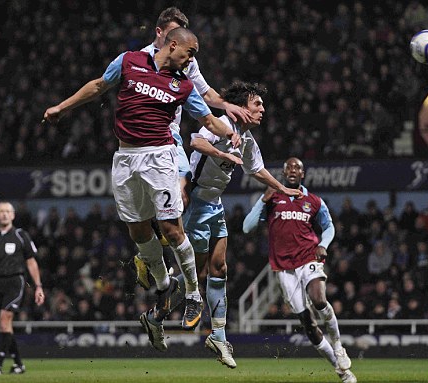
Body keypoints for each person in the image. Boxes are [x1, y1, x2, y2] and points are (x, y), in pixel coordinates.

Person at [43, 27, 242, 351]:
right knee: (138, 233)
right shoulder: (129, 61)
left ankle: (192, 294)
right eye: (190, 52)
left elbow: (207, 120)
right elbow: (97, 86)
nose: (192, 60)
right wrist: (62, 108)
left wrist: (231, 132)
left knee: (171, 228)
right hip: (125, 158)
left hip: (159, 157)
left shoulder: (183, 84)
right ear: (173, 44)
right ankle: (165, 285)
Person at [179, 81, 301, 368]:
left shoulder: (247, 140)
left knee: (220, 267)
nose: (262, 109)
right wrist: (223, 154)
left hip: (215, 205)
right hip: (195, 201)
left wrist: (282, 189)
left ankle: (218, 336)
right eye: (257, 104)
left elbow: (256, 169)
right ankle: (159, 308)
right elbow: (196, 141)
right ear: (242, 107)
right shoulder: (221, 123)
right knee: (195, 273)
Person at [132, 6, 251, 293]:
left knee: (181, 195)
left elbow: (206, 94)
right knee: (147, 210)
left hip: (170, 138)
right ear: (159, 33)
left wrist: (229, 105)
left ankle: (158, 264)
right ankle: (148, 257)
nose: (177, 44)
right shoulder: (139, 61)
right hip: (143, 143)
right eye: (171, 35)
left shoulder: (186, 61)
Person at [242, 157, 357, 383]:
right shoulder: (272, 198)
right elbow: (247, 227)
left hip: (308, 258)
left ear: (303, 174)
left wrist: (323, 245)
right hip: (284, 268)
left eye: (297, 168)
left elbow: (329, 227)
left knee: (319, 299)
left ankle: (338, 345)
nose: (293, 170)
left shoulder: (313, 201)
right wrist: (263, 199)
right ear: (284, 173)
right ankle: (342, 371)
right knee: (308, 324)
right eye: (289, 168)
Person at [0, 202, 44, 375]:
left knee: (4, 318)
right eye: (1, 211)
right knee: (5, 325)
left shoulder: (21, 235)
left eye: (7, 211)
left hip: (15, 281)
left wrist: (38, 286)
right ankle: (19, 365)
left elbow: (31, 262)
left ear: (13, 215)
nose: (4, 214)